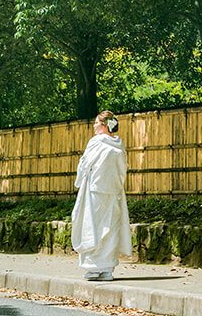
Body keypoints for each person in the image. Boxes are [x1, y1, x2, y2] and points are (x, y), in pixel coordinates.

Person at [71, 110, 132, 281]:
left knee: (94, 225)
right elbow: (122, 168)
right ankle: (107, 268)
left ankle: (94, 267)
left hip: (96, 190)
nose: (94, 125)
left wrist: (80, 181)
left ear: (105, 125)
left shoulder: (96, 142)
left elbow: (85, 163)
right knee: (110, 227)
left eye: (97, 122)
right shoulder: (119, 144)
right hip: (113, 190)